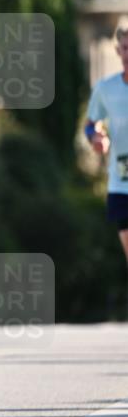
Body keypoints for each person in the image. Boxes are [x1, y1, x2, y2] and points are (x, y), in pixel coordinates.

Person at [84, 24, 128, 305]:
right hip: (121, 183)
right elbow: (90, 125)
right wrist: (96, 138)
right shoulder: (105, 89)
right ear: (118, 50)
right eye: (125, 48)